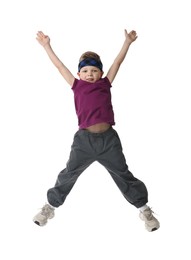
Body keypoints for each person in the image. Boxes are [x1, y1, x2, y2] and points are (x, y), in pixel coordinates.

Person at [33, 29, 160, 232]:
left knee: (123, 174)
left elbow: (117, 63)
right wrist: (47, 46)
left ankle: (144, 209)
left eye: (94, 71)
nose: (90, 74)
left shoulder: (105, 84)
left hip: (109, 140)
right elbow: (59, 66)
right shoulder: (76, 85)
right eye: (85, 71)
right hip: (84, 142)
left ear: (100, 73)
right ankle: (50, 207)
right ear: (79, 74)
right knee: (69, 173)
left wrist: (127, 43)